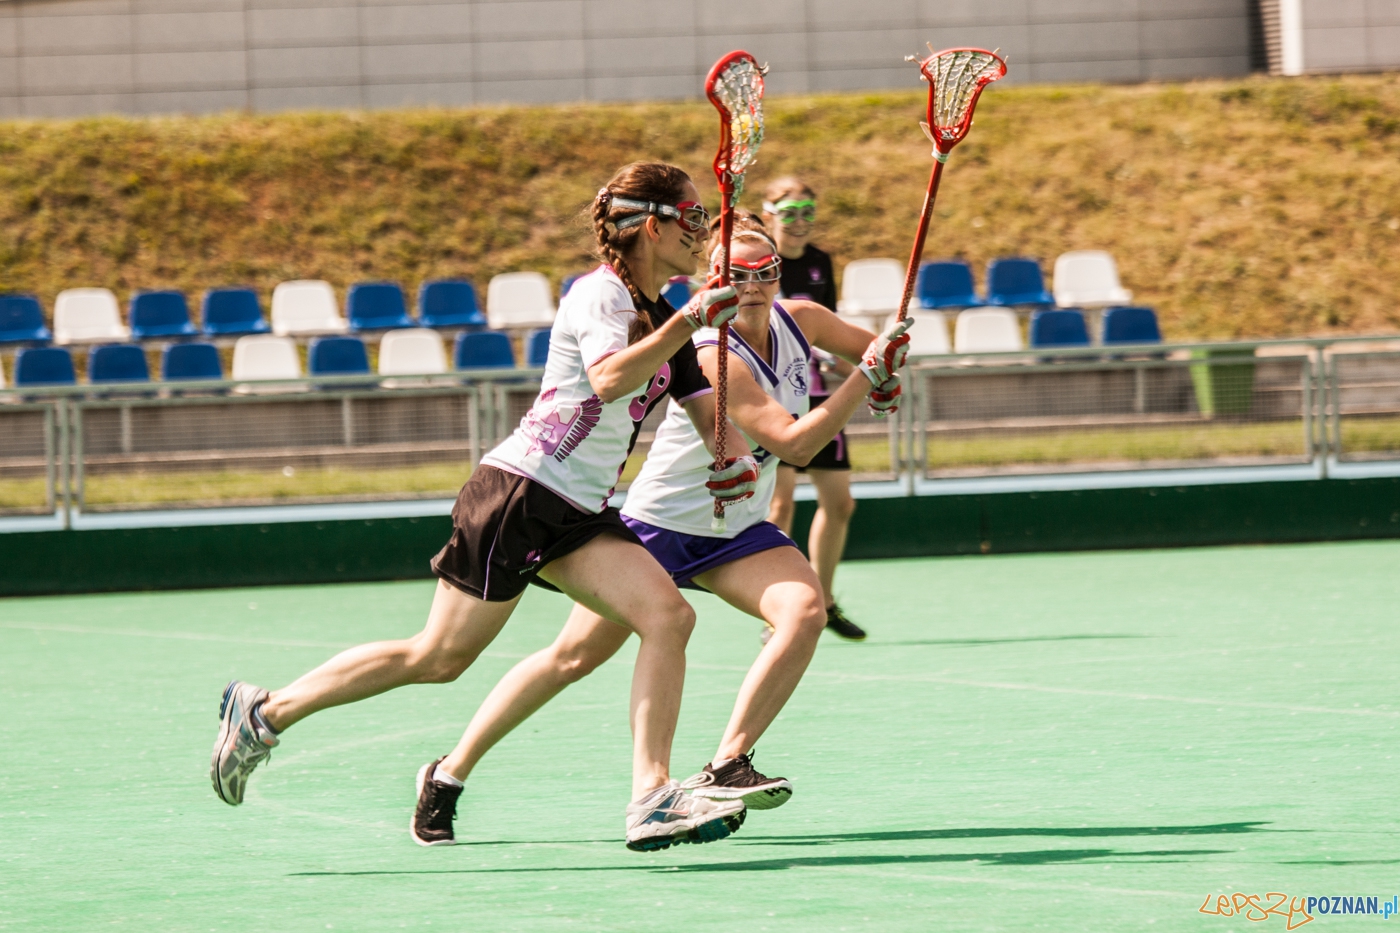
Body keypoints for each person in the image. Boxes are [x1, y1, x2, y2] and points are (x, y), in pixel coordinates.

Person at [210, 161, 765, 854]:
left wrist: (736, 457)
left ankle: (651, 795)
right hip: (521, 492)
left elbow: (710, 409)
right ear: (649, 226)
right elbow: (608, 377)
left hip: (581, 508)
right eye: (691, 219)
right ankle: (264, 712)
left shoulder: (661, 313)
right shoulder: (603, 297)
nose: (702, 232)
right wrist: (687, 321)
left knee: (667, 615)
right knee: (439, 656)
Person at [416, 211, 910, 842]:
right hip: (660, 526)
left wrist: (885, 369)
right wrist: (865, 381)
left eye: (764, 272)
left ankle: (728, 763)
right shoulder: (709, 353)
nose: (752, 285)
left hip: (734, 530)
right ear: (713, 278)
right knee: (570, 659)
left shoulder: (804, 320)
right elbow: (796, 446)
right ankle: (450, 774)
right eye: (736, 273)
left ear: (778, 274)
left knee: (805, 609)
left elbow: (875, 352)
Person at [762, 177, 866, 641]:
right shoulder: (757, 262)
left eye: (808, 211)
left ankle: (823, 601)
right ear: (769, 214)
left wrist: (854, 369)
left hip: (816, 390)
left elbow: (828, 329)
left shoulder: (821, 262)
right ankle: (777, 613)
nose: (800, 222)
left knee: (840, 503)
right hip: (772, 395)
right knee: (780, 504)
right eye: (789, 212)